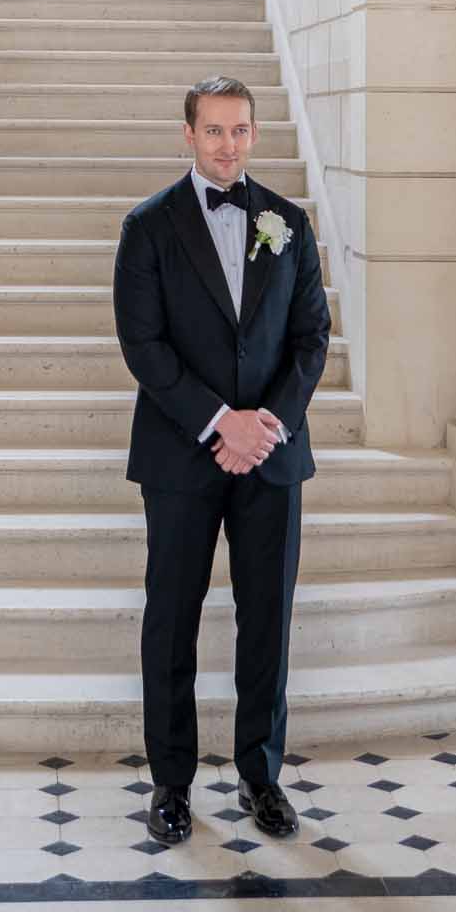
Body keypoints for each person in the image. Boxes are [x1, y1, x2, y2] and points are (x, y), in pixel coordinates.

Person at [112, 75, 332, 847]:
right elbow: (143, 345)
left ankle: (260, 777)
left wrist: (265, 426)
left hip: (271, 454)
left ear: (253, 133)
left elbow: (311, 336)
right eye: (213, 130)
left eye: (239, 129)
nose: (227, 144)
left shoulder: (288, 223)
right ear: (188, 134)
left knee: (266, 619)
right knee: (171, 619)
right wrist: (218, 423)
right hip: (180, 455)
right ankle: (170, 784)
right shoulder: (147, 226)